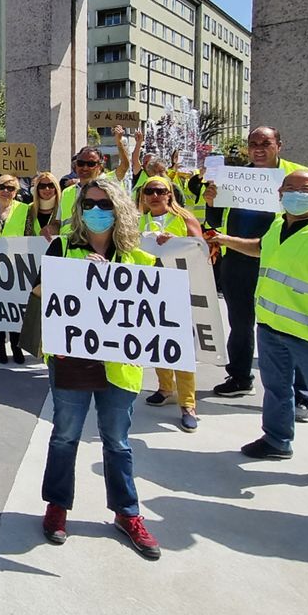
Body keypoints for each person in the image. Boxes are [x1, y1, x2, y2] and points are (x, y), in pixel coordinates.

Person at [40, 176, 161, 559]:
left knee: (118, 442)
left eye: (104, 204)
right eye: (88, 203)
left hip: (120, 367)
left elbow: (155, 310)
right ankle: (57, 506)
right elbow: (39, 295)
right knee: (64, 436)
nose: (96, 211)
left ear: (120, 209)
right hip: (72, 361)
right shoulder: (62, 247)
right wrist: (81, 279)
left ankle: (127, 513)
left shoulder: (141, 257)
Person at [210, 171, 308, 495]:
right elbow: (261, 248)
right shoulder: (277, 225)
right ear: (279, 193)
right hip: (272, 326)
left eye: (305, 190)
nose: (296, 194)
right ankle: (276, 440)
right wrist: (224, 239)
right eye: (290, 189)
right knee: (275, 389)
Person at [204, 126, 308, 414]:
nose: (258, 149)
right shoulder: (234, 177)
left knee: (290, 326)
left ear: (279, 144)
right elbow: (216, 217)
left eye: (265, 143)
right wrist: (211, 201)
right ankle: (240, 377)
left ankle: (301, 395)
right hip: (238, 261)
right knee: (240, 324)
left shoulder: (298, 176)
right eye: (252, 144)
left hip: (283, 262)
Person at [136, 176, 203, 431]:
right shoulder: (138, 221)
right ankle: (165, 387)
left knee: (180, 347)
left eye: (160, 191)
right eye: (149, 191)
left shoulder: (183, 218)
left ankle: (188, 404)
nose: (155, 195)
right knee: (156, 341)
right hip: (149, 290)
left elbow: (201, 249)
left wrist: (173, 243)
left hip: (180, 290)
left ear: (169, 194)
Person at [0, 174, 33, 364]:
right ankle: (0, 346)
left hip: (17, 269)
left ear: (16, 192)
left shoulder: (24, 210)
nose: (5, 191)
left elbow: (30, 236)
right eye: (2, 187)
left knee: (16, 310)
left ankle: (17, 347)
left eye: (11, 188)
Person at [56, 146, 114, 236]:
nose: (85, 168)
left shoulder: (109, 191)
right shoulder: (66, 192)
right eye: (80, 163)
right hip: (69, 245)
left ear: (100, 166)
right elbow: (58, 222)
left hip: (97, 245)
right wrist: (51, 227)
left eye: (91, 164)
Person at [25, 171, 64, 241]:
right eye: (42, 186)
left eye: (51, 185)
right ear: (37, 189)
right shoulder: (29, 209)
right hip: (33, 249)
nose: (47, 189)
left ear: (56, 188)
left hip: (57, 249)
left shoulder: (63, 207)